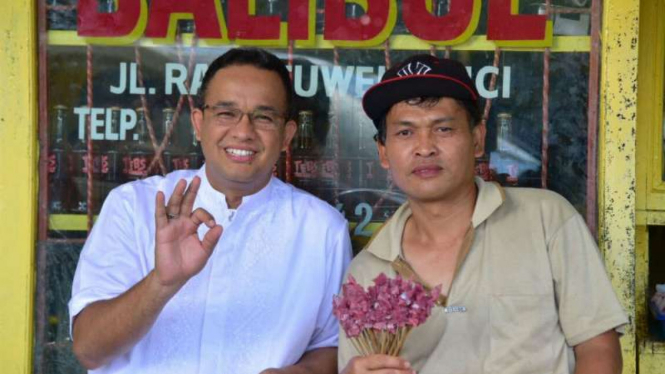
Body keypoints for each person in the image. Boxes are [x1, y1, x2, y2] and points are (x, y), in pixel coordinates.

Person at [338, 54, 628, 374]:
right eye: (405, 132)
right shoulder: (367, 271)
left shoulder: (547, 219)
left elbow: (598, 348)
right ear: (383, 152)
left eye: (444, 128)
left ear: (477, 138)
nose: (425, 147)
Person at [69, 48, 352, 374]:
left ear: (287, 135)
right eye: (226, 113)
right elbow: (89, 350)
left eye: (263, 117)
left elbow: (333, 346)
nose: (243, 131)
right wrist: (162, 283)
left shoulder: (321, 229)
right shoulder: (134, 206)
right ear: (199, 123)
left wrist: (301, 372)